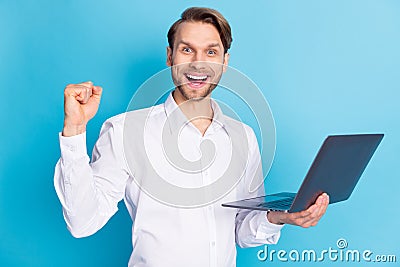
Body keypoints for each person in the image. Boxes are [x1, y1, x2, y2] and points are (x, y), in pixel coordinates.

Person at [54, 7, 329, 267]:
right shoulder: (125, 131)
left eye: (211, 51)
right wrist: (74, 130)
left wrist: (280, 216)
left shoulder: (243, 137)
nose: (199, 63)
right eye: (187, 50)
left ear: (224, 62)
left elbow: (242, 232)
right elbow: (82, 222)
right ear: (170, 56)